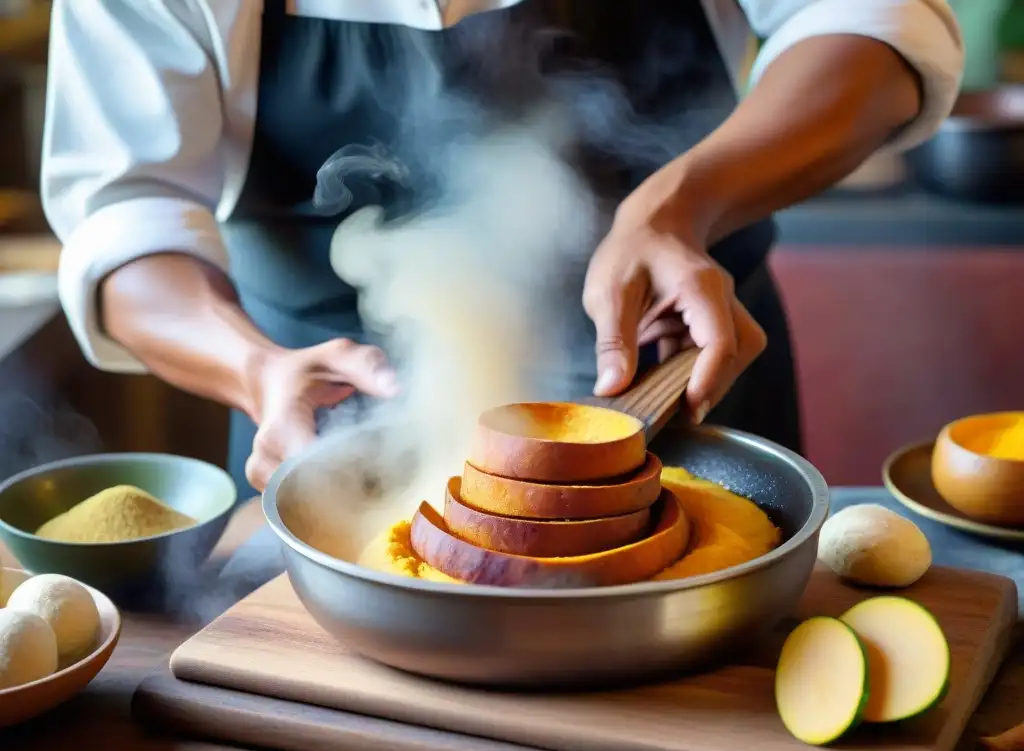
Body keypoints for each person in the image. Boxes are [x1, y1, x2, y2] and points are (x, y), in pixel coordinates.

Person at [41, 1, 963, 499]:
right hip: (340, 447)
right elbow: (130, 213)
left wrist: (682, 203)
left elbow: (875, 30)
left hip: (690, 403)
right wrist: (253, 370)